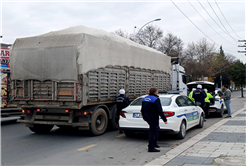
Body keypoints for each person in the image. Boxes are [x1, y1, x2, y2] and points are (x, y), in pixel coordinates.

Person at [141, 88, 167, 153]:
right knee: (152, 132)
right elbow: (159, 110)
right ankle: (151, 147)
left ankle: (155, 143)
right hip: (153, 117)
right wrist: (164, 119)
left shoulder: (144, 98)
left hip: (147, 117)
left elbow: (142, 109)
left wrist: (144, 117)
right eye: (157, 91)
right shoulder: (155, 99)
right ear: (155, 92)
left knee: (157, 129)